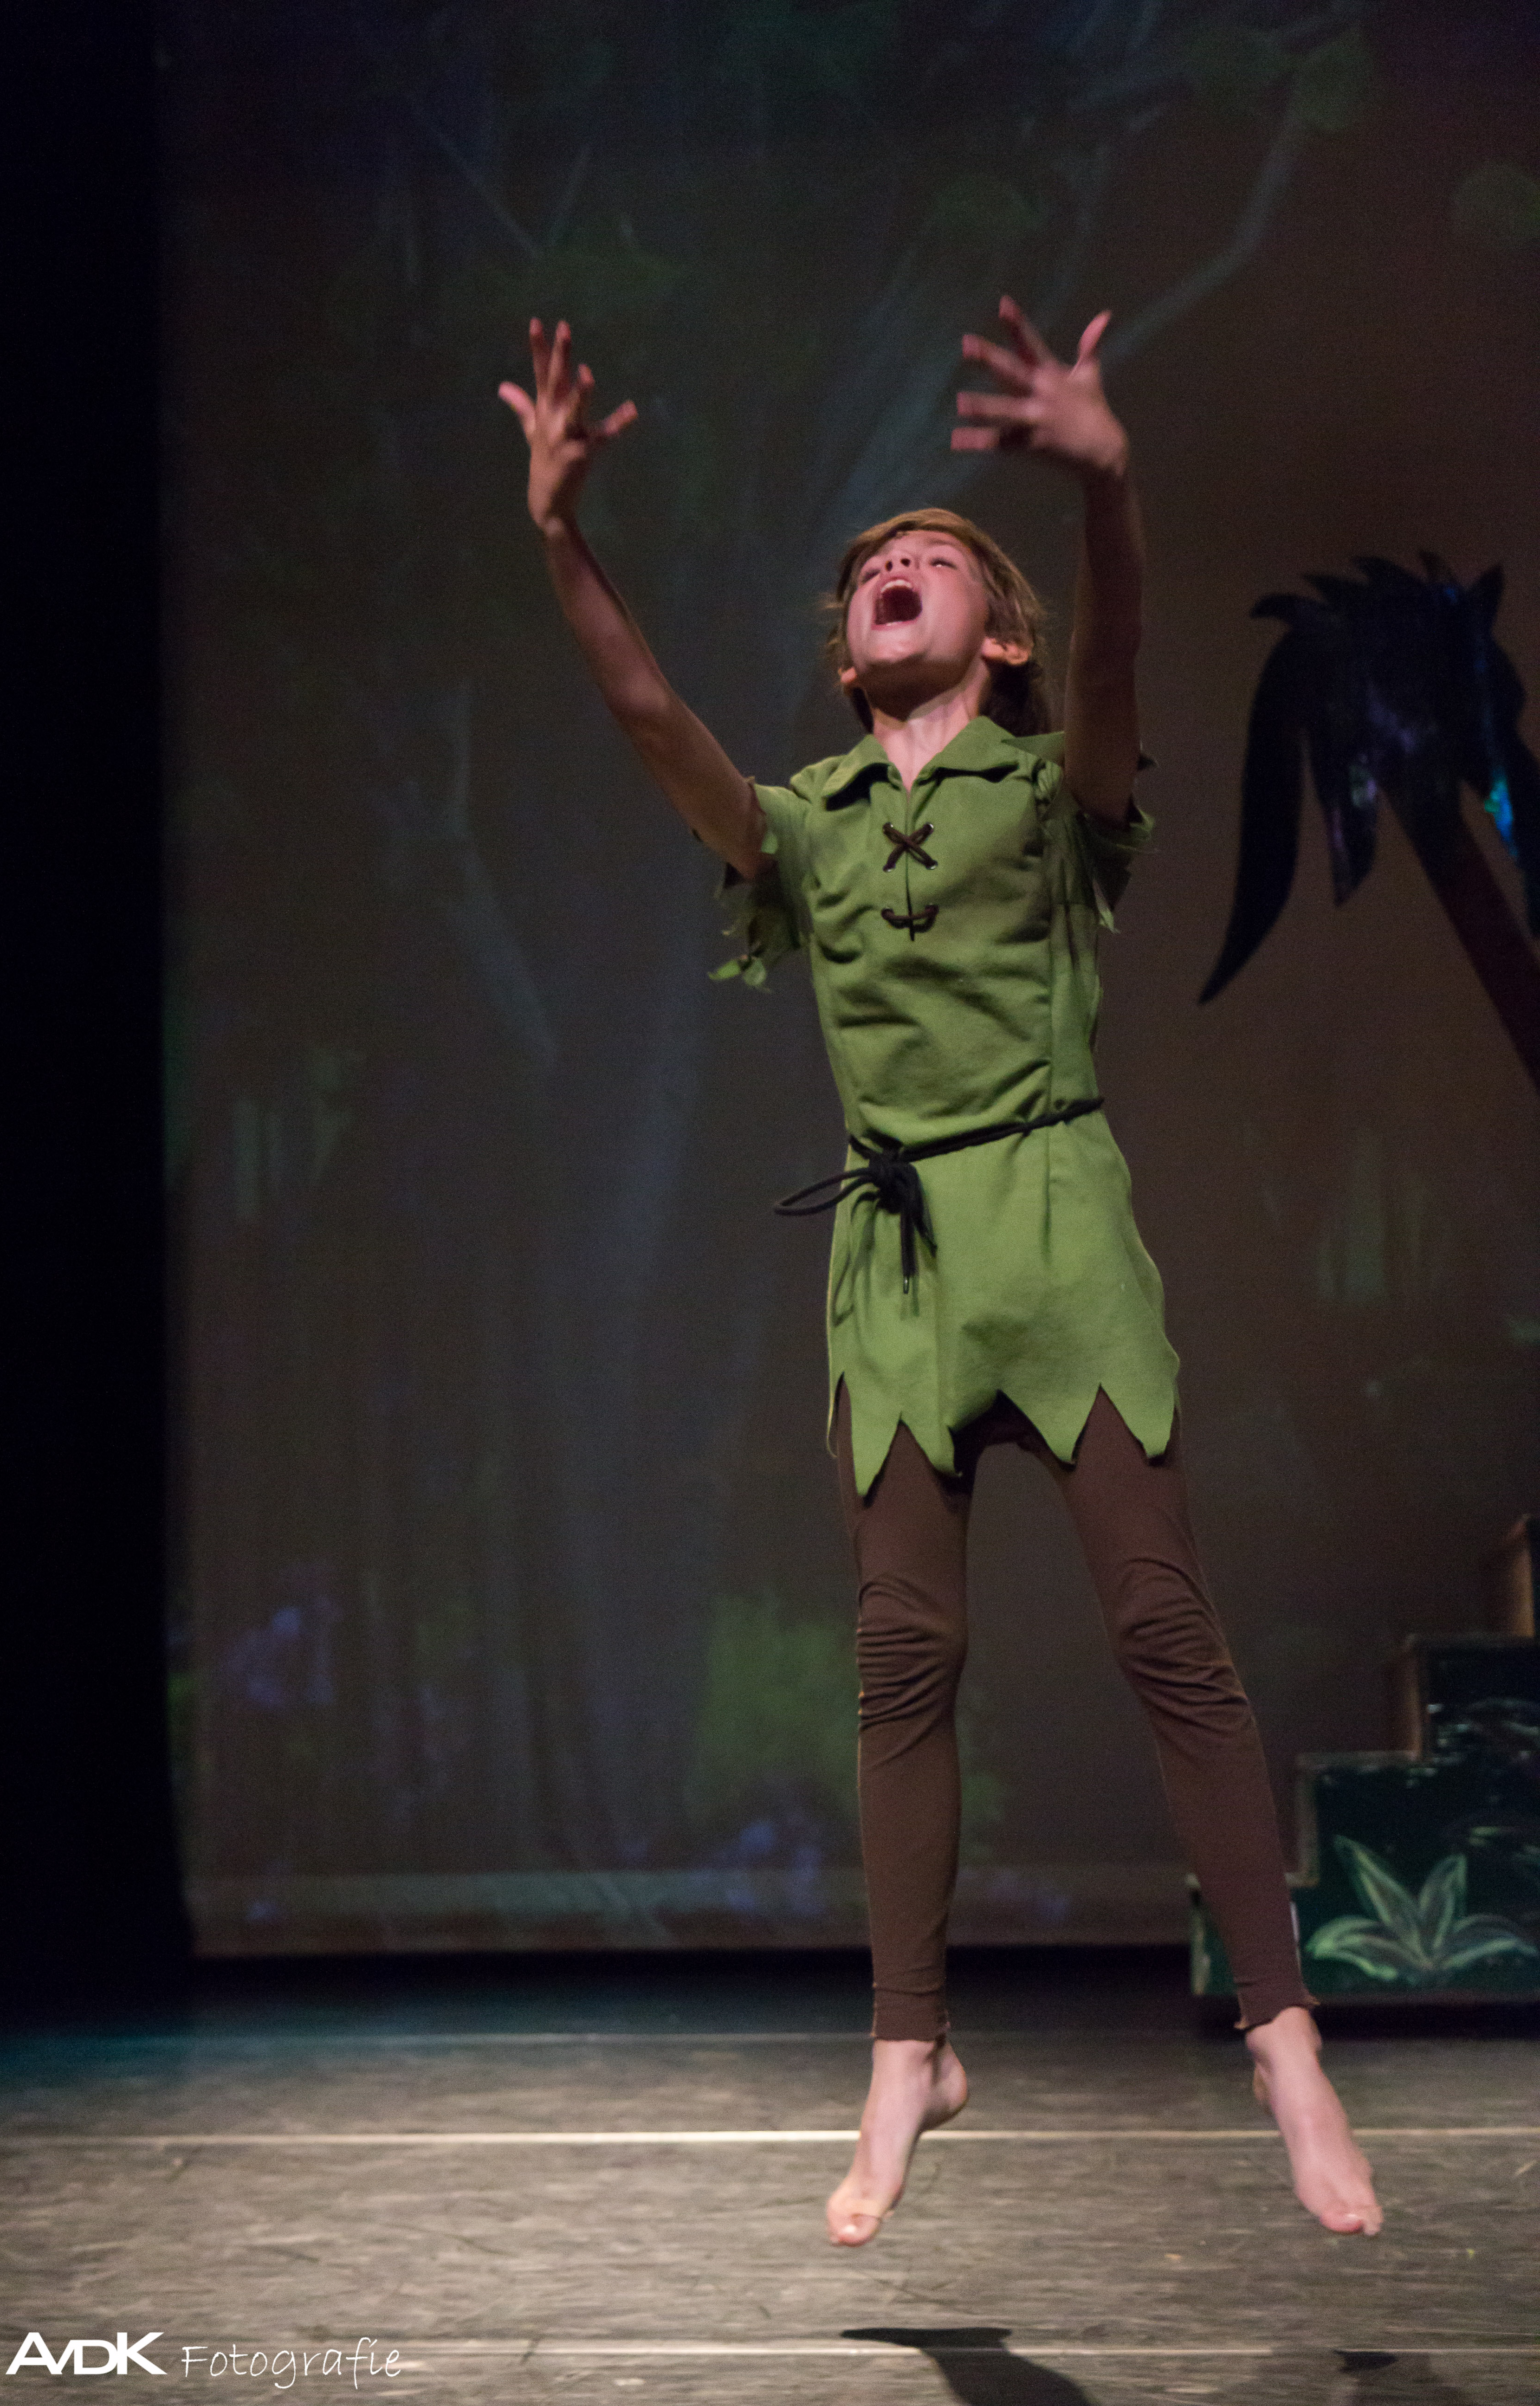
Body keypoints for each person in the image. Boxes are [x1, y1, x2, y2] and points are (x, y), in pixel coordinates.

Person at [498, 302, 1383, 2246]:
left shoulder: (1057, 789)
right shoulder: (808, 828)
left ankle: (1284, 2033)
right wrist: (561, 531)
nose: (895, 563)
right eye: (870, 569)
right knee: (903, 1659)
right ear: (848, 654)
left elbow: (1124, 652)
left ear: (998, 637)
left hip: (1055, 1231)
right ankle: (910, 2049)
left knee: (1165, 1628)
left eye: (939, 557)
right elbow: (651, 721)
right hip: (895, 1263)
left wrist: (1108, 485)